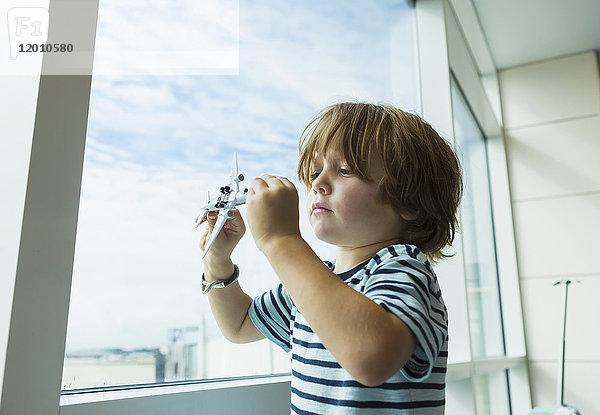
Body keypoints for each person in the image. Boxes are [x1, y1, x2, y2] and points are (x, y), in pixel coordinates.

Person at [198, 102, 462, 414]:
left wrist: (280, 240)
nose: (317, 184)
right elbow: (239, 325)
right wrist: (217, 261)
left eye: (345, 170)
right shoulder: (314, 283)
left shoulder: (404, 267)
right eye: (313, 172)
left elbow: (371, 358)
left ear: (409, 201)